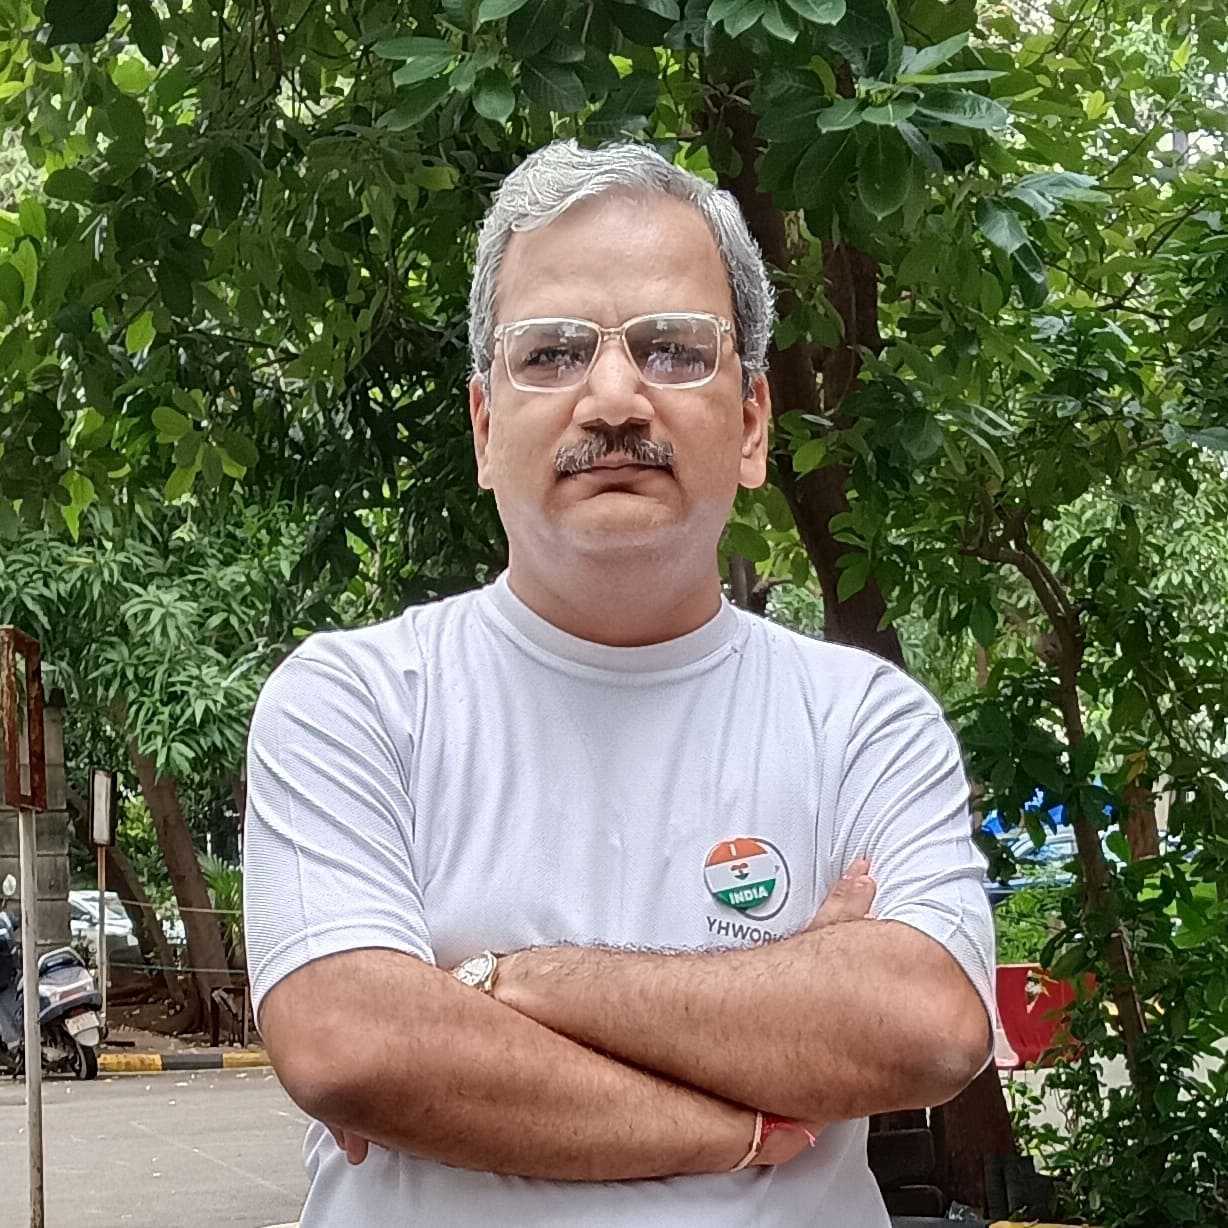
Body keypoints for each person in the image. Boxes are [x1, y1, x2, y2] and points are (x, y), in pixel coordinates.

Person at [244, 139, 996, 1227]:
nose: (611, 397)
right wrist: (743, 1107)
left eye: (674, 349)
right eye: (548, 353)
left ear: (749, 423)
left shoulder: (862, 721)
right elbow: (352, 1045)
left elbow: (924, 1021)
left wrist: (498, 982)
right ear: (485, 425)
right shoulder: (356, 701)